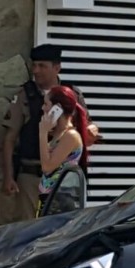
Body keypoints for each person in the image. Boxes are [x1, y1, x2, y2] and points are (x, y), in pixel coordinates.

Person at [0, 43, 99, 222]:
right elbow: (10, 138)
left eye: (42, 66)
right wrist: (9, 176)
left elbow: (89, 125)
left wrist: (90, 131)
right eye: (34, 65)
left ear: (57, 68)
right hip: (31, 175)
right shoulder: (25, 95)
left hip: (63, 180)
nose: (36, 70)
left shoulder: (71, 95)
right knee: (29, 229)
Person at [36, 85, 89, 217]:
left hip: (61, 201)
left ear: (57, 108)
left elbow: (47, 167)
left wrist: (42, 133)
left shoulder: (70, 136)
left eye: (46, 104)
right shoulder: (57, 134)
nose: (43, 108)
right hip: (49, 199)